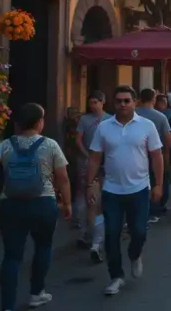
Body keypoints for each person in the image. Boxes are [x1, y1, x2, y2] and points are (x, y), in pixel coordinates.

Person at [0, 103, 70, 311]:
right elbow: (63, 178)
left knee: (11, 256)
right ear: (40, 122)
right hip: (43, 203)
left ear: (18, 124)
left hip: (10, 205)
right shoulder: (50, 145)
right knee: (43, 247)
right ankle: (36, 293)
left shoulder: (6, 145)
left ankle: (7, 306)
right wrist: (67, 203)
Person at [86, 85, 164, 297]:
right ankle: (116, 276)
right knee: (111, 235)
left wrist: (158, 185)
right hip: (111, 190)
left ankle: (134, 254)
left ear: (135, 102)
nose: (122, 104)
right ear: (113, 103)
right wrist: (89, 184)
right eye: (119, 101)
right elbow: (94, 158)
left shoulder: (146, 126)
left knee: (139, 231)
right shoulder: (104, 127)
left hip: (139, 189)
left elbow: (157, 156)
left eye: (126, 100)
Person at [74, 91, 109, 259]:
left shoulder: (110, 119)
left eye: (96, 102)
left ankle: (95, 236)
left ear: (103, 102)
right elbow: (78, 139)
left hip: (105, 163)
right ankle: (84, 230)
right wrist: (87, 155)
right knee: (86, 197)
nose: (93, 105)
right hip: (87, 162)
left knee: (98, 200)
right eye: (91, 102)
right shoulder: (84, 119)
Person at [135, 89, 171, 223]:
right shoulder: (160, 117)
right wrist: (167, 152)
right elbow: (168, 138)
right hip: (156, 153)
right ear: (153, 99)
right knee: (157, 179)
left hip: (136, 154)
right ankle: (154, 209)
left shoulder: (133, 114)